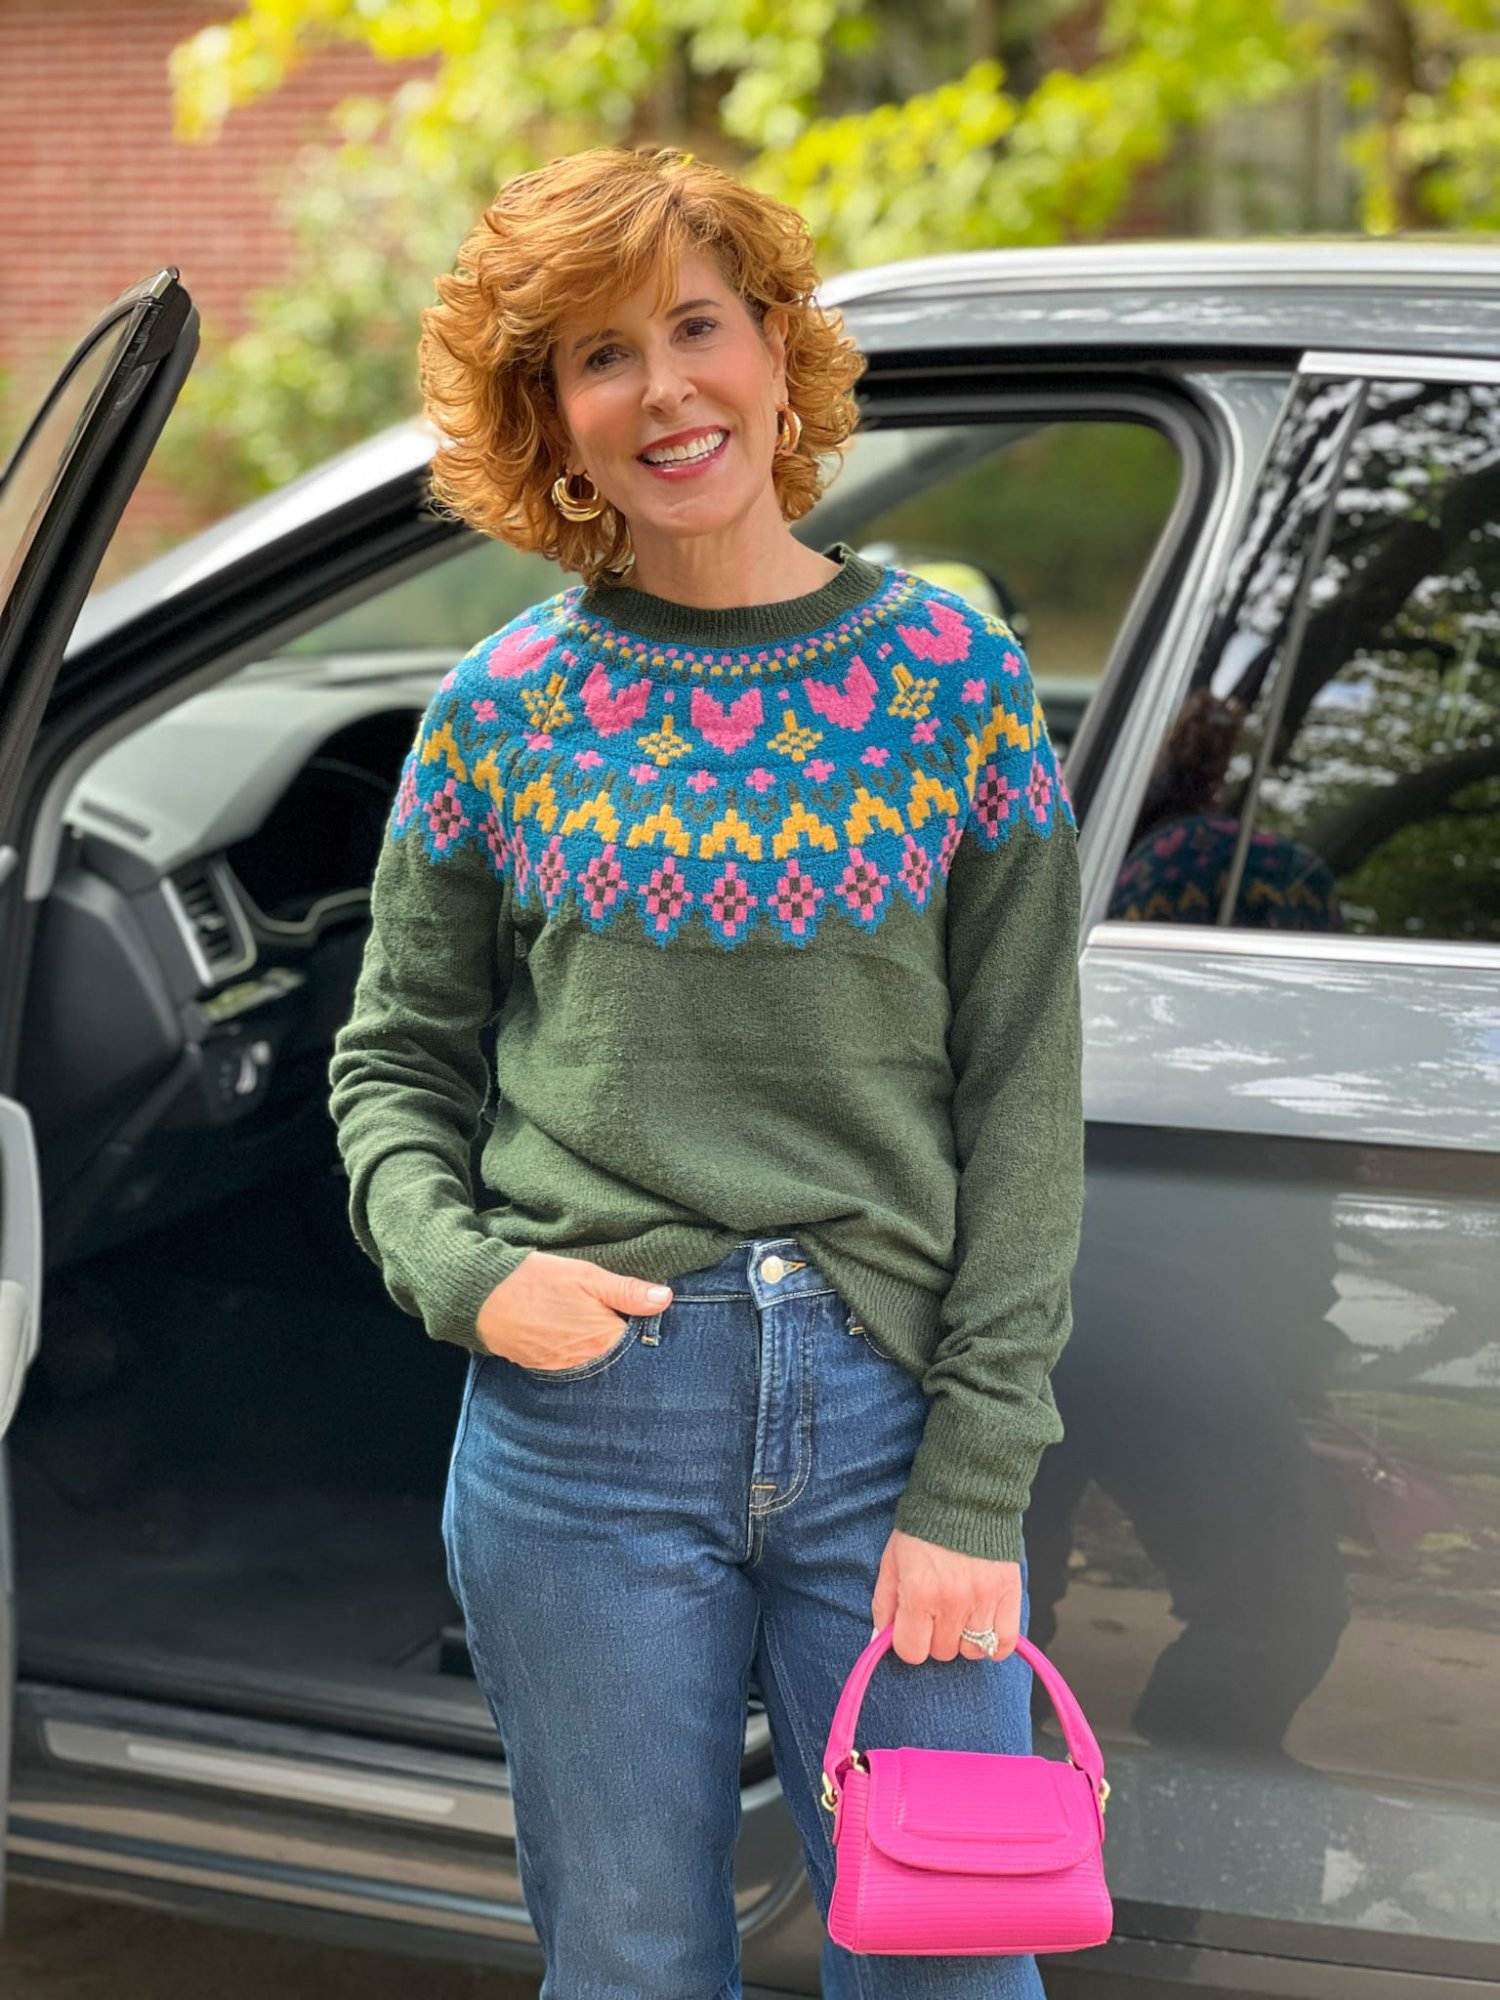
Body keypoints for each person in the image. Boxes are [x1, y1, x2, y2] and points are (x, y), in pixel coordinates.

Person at [328, 144, 1085, 2000]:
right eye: (599, 357)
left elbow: (1026, 1100)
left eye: (696, 327)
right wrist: (468, 1275)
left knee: (950, 1965)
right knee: (635, 1966)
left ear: (775, 350)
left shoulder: (955, 682)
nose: (663, 390)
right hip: (584, 1436)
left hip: (883, 1413)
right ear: (550, 420)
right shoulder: (498, 710)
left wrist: (975, 1487)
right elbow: (391, 1070)